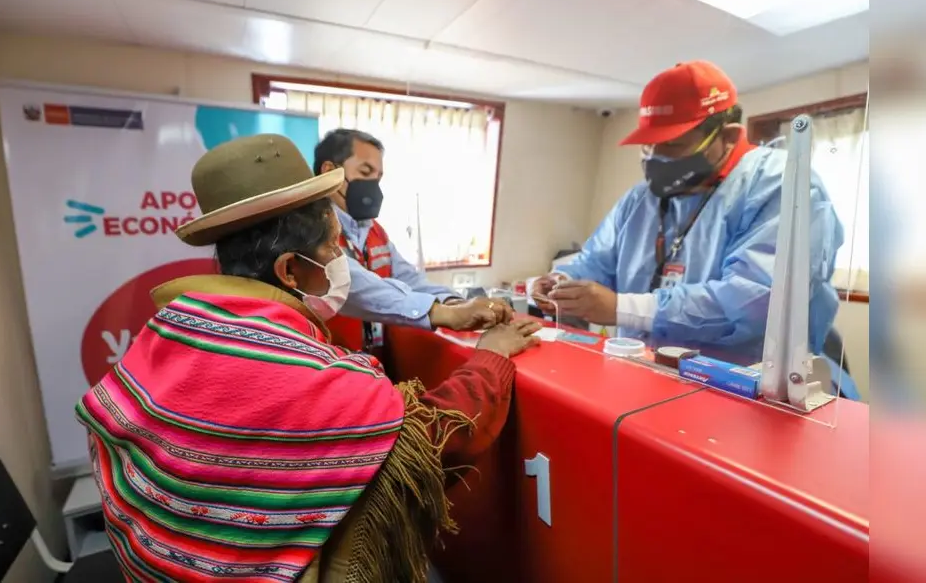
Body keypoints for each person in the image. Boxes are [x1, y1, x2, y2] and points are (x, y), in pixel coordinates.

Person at [75, 134, 541, 582]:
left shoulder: (167, 329)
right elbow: (436, 442)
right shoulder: (301, 373)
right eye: (334, 248)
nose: (343, 261)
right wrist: (491, 357)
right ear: (290, 271)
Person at [532, 60, 856, 399]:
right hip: (644, 377)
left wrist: (622, 307)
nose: (656, 158)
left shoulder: (781, 185)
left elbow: (755, 301)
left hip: (743, 394)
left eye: (672, 145)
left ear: (728, 136)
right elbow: (595, 263)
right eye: (649, 145)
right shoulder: (641, 199)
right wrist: (561, 283)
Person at [313, 128, 512, 353]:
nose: (373, 185)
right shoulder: (312, 227)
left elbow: (407, 277)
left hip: (371, 360)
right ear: (330, 172)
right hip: (328, 363)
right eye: (365, 171)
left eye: (378, 177)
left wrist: (452, 302)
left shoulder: (373, 230)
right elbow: (349, 283)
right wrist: (444, 314)